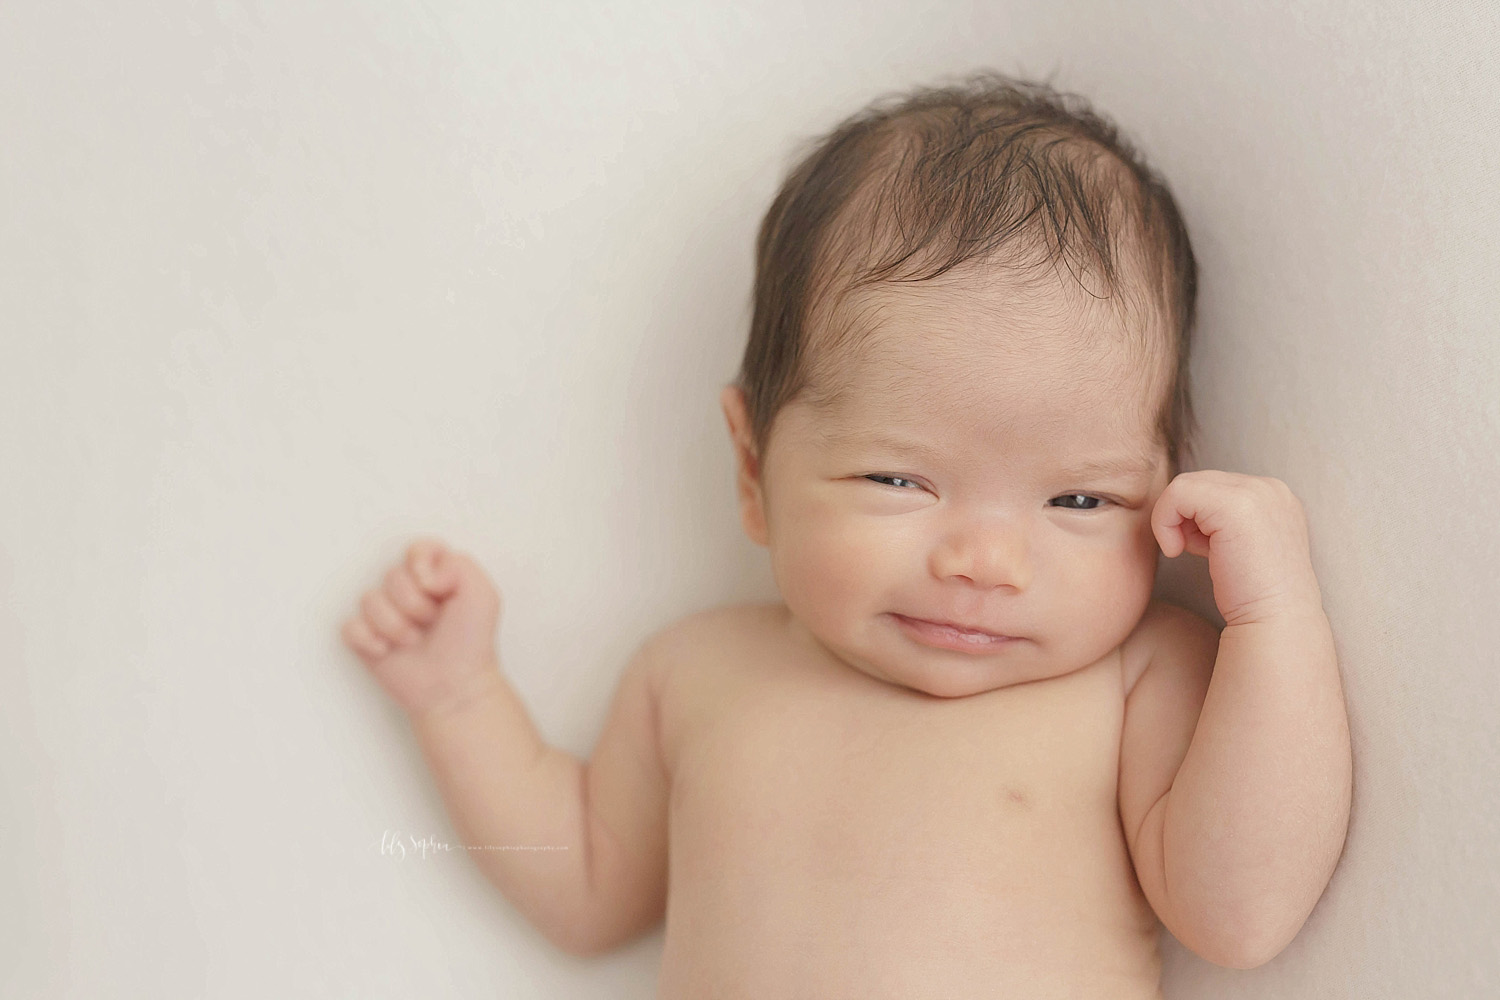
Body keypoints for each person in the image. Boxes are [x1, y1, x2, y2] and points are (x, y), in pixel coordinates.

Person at [340, 72, 1352, 996]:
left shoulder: (1132, 683)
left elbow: (1240, 912)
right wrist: (459, 697)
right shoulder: (696, 674)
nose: (985, 563)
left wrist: (1275, 616)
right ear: (753, 469)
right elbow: (587, 890)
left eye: (1079, 501)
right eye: (898, 478)